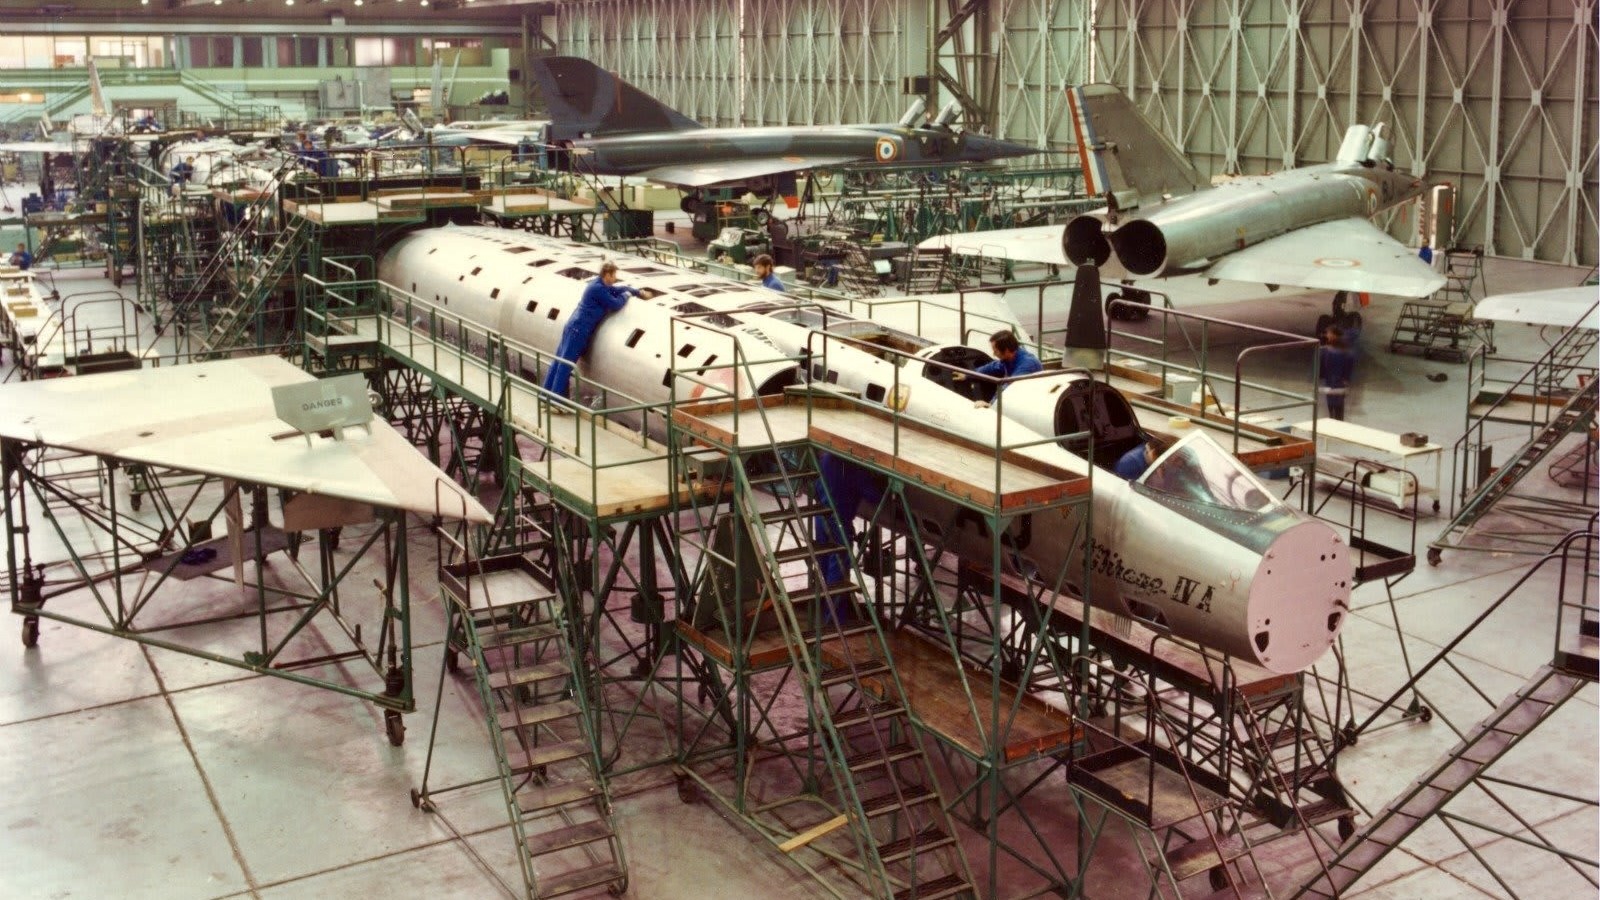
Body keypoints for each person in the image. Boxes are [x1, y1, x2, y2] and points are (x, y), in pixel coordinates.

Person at [541, 259, 640, 401]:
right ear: (607, 275)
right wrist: (627, 295)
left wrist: (634, 291)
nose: (615, 278)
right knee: (565, 366)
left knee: (558, 361)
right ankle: (555, 401)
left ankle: (545, 395)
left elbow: (616, 289)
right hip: (579, 330)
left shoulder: (597, 284)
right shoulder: (598, 289)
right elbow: (615, 303)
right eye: (614, 275)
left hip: (573, 325)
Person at [962, 329, 1042, 407]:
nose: (994, 354)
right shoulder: (1010, 357)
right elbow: (992, 367)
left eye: (996, 351)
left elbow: (1009, 387)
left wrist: (991, 405)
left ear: (1006, 350)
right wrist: (967, 375)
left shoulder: (1027, 364)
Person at [1320, 325, 1355, 421]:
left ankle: (1337, 424)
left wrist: (1346, 380)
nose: (1326, 335)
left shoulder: (1340, 351)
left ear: (1334, 335)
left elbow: (1348, 363)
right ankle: (1334, 421)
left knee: (1337, 409)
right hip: (1331, 382)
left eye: (1329, 333)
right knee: (1332, 408)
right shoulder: (1327, 350)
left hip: (1337, 382)